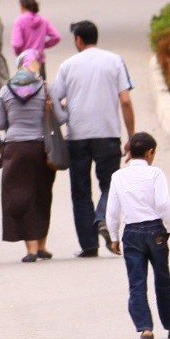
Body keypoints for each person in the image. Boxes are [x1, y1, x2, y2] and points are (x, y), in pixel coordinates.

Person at [51, 20, 137, 257]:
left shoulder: (68, 65)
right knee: (110, 184)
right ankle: (102, 219)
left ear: (78, 39)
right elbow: (126, 100)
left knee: (80, 190)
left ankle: (89, 245)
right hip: (108, 133)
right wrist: (131, 136)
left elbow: (54, 98)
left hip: (77, 134)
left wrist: (66, 115)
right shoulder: (115, 61)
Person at [106, 132, 170, 339]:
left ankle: (145, 327)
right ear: (150, 153)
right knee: (162, 279)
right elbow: (163, 203)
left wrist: (114, 236)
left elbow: (112, 211)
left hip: (131, 232)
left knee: (136, 281)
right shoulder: (155, 174)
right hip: (156, 231)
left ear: (129, 152)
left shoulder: (118, 176)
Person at [0, 65, 60, 261]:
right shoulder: (45, 89)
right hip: (41, 149)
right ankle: (42, 246)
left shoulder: (6, 90)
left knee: (19, 194)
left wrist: (14, 120)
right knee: (42, 194)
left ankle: (30, 249)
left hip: (15, 149)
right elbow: (58, 116)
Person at [10, 0, 62, 71]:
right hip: (39, 61)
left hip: (25, 62)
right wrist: (44, 45)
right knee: (41, 82)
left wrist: (19, 54)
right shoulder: (43, 20)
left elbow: (17, 44)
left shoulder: (19, 21)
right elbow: (56, 37)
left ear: (21, 5)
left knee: (25, 83)